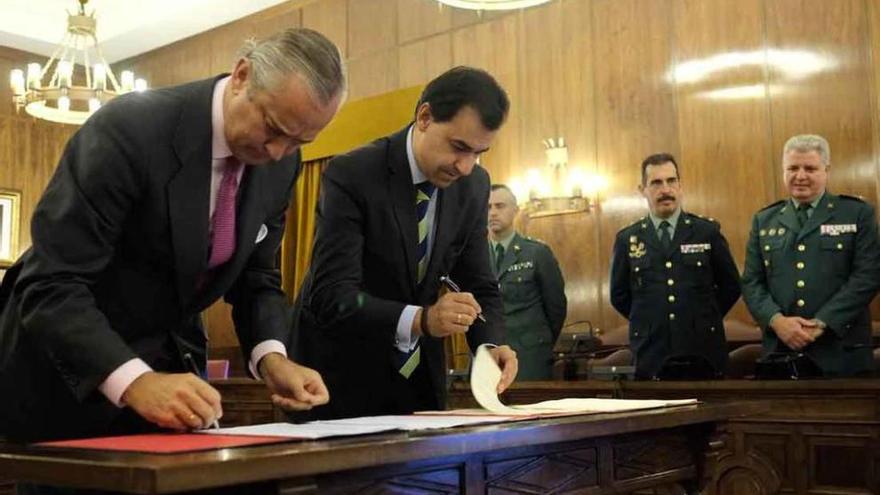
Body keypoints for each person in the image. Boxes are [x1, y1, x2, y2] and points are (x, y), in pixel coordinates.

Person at [0, 28, 345, 443]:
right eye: (272, 128)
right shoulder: (131, 129)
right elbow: (51, 282)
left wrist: (273, 358)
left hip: (173, 376)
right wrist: (136, 382)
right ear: (241, 75)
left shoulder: (282, 166)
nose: (277, 152)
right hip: (64, 376)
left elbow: (257, 278)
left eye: (299, 141)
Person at [294, 66, 519, 419]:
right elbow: (333, 294)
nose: (465, 166)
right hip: (337, 376)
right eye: (459, 147)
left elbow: (478, 283)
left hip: (419, 377)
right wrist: (423, 320)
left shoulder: (474, 185)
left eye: (480, 152)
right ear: (425, 116)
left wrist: (489, 343)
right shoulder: (353, 174)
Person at [741, 134, 880, 377]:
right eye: (792, 168)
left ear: (826, 170)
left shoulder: (856, 213)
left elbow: (868, 276)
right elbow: (752, 282)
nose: (800, 175)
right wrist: (777, 321)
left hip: (842, 351)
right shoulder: (764, 220)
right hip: (781, 352)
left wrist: (822, 322)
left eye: (810, 168)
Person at [610, 153, 741, 379]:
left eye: (671, 181)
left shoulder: (706, 231)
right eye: (656, 183)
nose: (665, 190)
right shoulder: (627, 238)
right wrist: (650, 319)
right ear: (643, 190)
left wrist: (702, 317)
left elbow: (731, 285)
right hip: (652, 349)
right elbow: (619, 294)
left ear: (680, 186)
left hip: (702, 345)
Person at [487, 184, 566, 380]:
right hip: (488, 357)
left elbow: (556, 307)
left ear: (515, 210)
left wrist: (539, 341)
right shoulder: (474, 256)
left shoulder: (536, 252)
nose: (493, 213)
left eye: (500, 206)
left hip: (529, 356)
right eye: (487, 207)